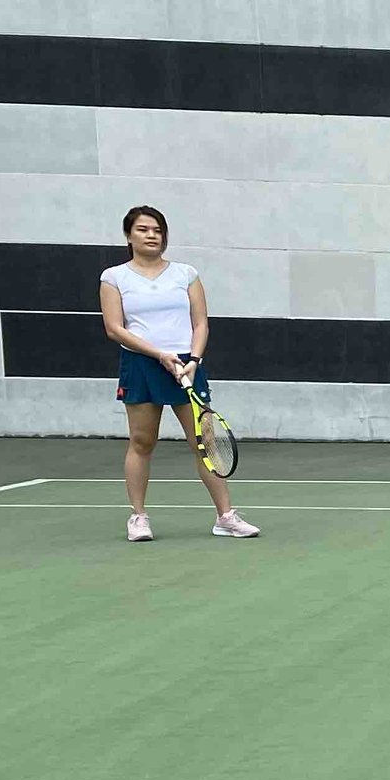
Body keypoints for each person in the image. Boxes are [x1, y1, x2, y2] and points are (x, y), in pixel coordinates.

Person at [98, 204, 259, 543]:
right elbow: (114, 328)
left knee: (205, 442)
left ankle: (225, 517)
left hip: (186, 366)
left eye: (157, 230)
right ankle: (138, 518)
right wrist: (158, 354)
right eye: (143, 229)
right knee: (142, 442)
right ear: (129, 235)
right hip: (142, 365)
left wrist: (194, 360)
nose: (151, 235)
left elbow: (200, 322)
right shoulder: (114, 277)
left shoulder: (185, 273)